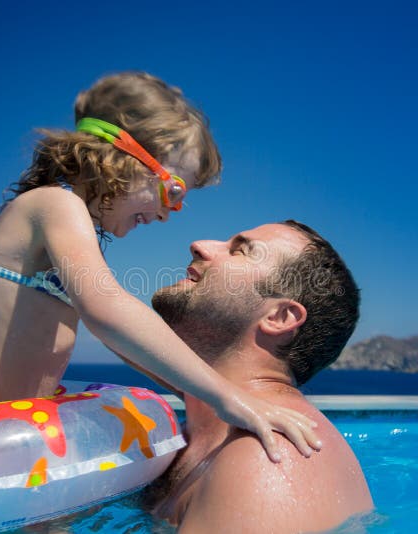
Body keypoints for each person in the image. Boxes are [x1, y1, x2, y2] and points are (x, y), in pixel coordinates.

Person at [0, 72, 320, 461]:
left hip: (2, 426)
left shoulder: (70, 225)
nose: (168, 213)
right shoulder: (54, 204)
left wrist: (194, 393)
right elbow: (107, 310)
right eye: (173, 191)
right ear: (125, 154)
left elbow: (119, 339)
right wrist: (227, 397)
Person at [142, 220, 374, 532]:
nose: (199, 244)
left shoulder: (269, 458)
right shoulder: (210, 413)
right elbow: (113, 326)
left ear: (279, 317)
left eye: (240, 251)